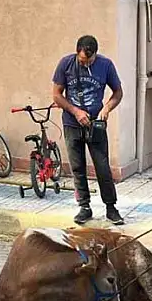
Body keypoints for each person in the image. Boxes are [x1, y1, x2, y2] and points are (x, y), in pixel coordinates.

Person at [52, 34, 125, 226]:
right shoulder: (66, 64)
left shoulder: (106, 65)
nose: (85, 64)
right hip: (72, 123)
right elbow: (56, 95)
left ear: (96, 55)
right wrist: (75, 112)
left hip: (96, 124)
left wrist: (107, 108)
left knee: (102, 167)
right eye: (83, 61)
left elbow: (118, 92)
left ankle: (111, 207)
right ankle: (84, 206)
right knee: (78, 167)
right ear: (77, 53)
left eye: (89, 61)